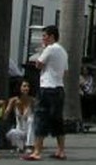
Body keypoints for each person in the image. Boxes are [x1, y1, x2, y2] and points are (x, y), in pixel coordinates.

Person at [22, 24, 69, 162]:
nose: (43, 38)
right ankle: (61, 150)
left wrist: (42, 53)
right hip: (59, 87)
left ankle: (37, 151)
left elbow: (38, 64)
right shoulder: (63, 51)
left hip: (47, 87)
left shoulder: (49, 49)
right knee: (57, 120)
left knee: (41, 118)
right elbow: (65, 71)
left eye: (45, 36)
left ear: (52, 36)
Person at [3, 79, 35, 154]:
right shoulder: (13, 100)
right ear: (19, 88)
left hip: (31, 132)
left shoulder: (32, 100)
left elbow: (37, 117)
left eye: (28, 86)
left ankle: (29, 146)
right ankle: (20, 147)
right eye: (24, 86)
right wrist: (4, 106)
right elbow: (5, 116)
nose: (26, 88)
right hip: (20, 131)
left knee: (31, 119)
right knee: (11, 133)